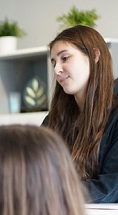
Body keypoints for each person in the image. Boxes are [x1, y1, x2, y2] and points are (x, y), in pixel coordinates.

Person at [44, 25, 118, 203]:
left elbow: (111, 186)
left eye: (65, 58)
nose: (57, 70)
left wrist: (48, 196)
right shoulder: (55, 118)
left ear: (94, 56)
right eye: (54, 62)